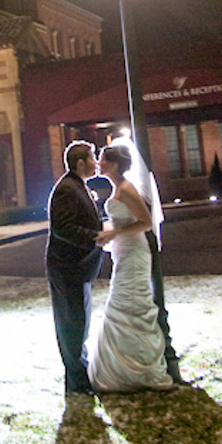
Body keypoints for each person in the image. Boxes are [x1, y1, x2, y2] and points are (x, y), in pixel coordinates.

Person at [86, 143, 175, 392]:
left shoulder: (126, 189)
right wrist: (110, 233)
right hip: (123, 252)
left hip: (135, 253)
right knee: (122, 303)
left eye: (102, 160)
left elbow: (146, 222)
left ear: (114, 165)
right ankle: (124, 368)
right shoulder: (117, 189)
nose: (98, 163)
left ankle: (140, 370)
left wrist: (115, 232)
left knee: (131, 303)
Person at [46, 140, 106, 395]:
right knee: (72, 323)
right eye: (92, 159)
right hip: (68, 267)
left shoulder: (77, 186)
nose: (96, 163)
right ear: (80, 163)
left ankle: (79, 378)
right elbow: (63, 228)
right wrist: (95, 235)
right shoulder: (67, 189)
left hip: (77, 268)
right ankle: (77, 382)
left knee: (79, 321)